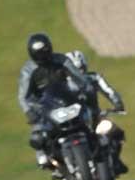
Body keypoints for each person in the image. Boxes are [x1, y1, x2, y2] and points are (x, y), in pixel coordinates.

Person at [18, 33, 91, 169]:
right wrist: (29, 111)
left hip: (67, 99)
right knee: (38, 134)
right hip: (44, 106)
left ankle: (97, 146)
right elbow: (23, 96)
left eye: (44, 51)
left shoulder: (61, 60)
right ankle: (43, 156)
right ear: (32, 54)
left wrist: (85, 90)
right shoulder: (28, 71)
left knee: (90, 119)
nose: (42, 56)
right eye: (38, 53)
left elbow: (79, 78)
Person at [66, 50, 128, 174]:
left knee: (115, 132)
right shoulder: (63, 84)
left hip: (95, 117)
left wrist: (118, 104)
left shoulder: (94, 78)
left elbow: (108, 90)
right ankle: (67, 165)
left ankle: (115, 161)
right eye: (76, 69)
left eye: (82, 68)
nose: (80, 72)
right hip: (73, 121)